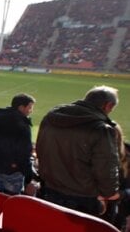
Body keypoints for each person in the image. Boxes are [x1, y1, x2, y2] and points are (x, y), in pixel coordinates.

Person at [36, 86, 120, 223]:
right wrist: (109, 193)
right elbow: (105, 168)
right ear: (108, 105)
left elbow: (40, 150)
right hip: (82, 200)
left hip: (49, 191)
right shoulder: (101, 129)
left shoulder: (50, 118)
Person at [0, 93, 36, 195]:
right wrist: (27, 175)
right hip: (13, 172)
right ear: (21, 107)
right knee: (11, 202)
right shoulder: (22, 125)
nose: (31, 111)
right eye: (30, 107)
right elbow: (25, 152)